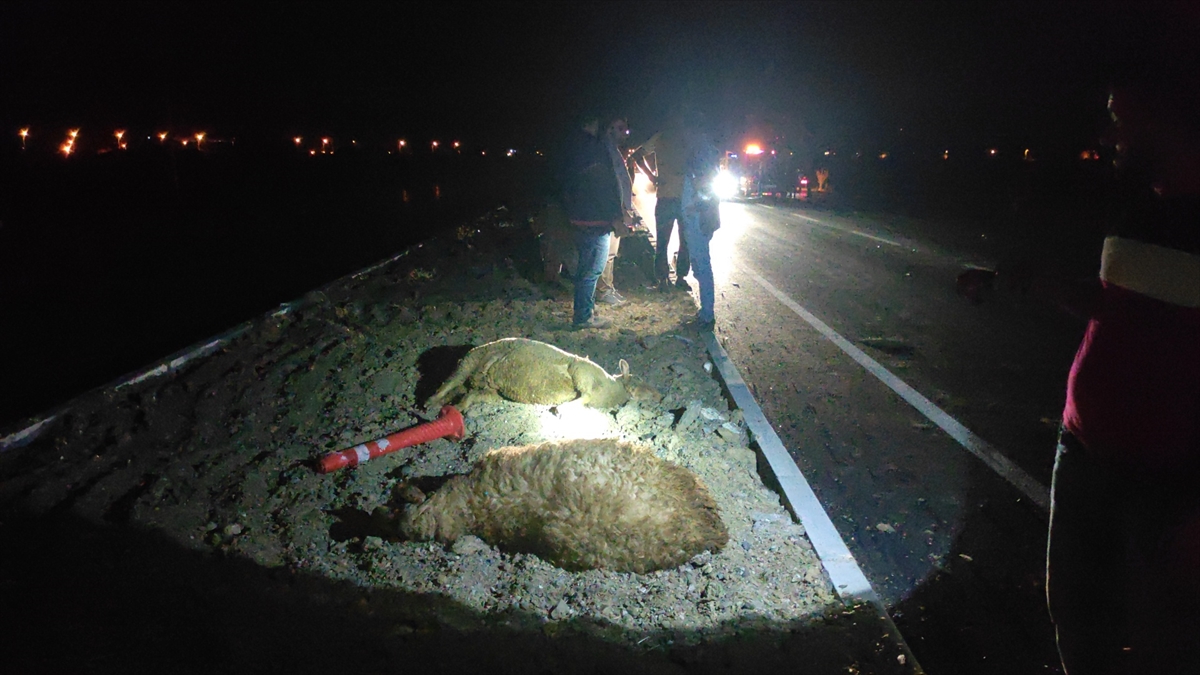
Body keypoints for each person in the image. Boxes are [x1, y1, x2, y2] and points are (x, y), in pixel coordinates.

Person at [960, 69, 1200, 675]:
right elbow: (1115, 304)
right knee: (1075, 612)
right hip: (1084, 445)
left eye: (1122, 120)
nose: (1111, 134)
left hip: (1170, 468)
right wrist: (1029, 281)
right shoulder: (1141, 209)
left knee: (1162, 631)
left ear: (1170, 120)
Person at [561, 115, 632, 329]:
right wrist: (615, 217)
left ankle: (586, 311)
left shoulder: (575, 146)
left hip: (582, 216)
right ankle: (583, 317)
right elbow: (603, 186)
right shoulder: (594, 149)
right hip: (594, 220)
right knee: (592, 269)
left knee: (588, 267)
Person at [634, 113, 692, 292]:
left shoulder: (662, 137)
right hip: (678, 198)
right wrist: (652, 176)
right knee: (679, 241)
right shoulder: (684, 137)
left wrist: (652, 176)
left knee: (669, 242)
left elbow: (638, 155)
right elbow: (638, 155)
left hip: (673, 198)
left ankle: (667, 279)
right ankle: (674, 278)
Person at [679, 119, 722, 329]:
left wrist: (694, 206)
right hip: (700, 216)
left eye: (687, 130)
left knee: (702, 266)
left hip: (698, 218)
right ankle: (705, 312)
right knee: (700, 265)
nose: (684, 135)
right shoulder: (704, 151)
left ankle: (707, 315)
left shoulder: (701, 153)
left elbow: (707, 185)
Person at [596, 117, 636, 306]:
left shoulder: (613, 150)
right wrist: (619, 210)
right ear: (610, 129)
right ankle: (603, 291)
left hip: (618, 209)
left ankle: (608, 288)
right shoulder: (605, 151)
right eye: (620, 128)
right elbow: (612, 184)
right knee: (605, 253)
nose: (625, 132)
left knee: (611, 253)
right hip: (613, 210)